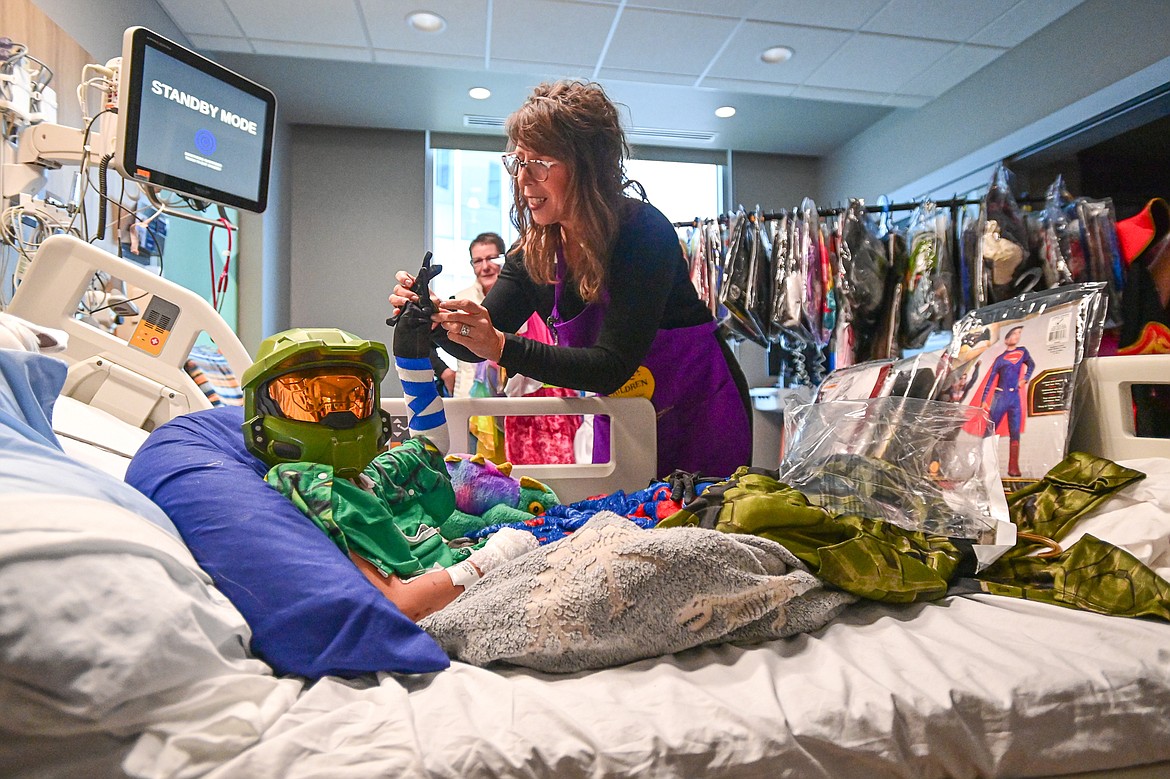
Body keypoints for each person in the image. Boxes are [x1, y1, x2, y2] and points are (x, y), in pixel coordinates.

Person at [391, 80, 752, 479]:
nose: (524, 179)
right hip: (623, 413)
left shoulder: (643, 233)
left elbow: (609, 366)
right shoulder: (533, 252)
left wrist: (500, 345)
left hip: (698, 411)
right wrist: (435, 319)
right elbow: (479, 346)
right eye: (518, 161)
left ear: (588, 166)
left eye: (541, 163)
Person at [240, 327, 535, 621]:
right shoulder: (304, 485)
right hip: (462, 590)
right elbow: (404, 604)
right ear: (263, 407)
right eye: (311, 400)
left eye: (353, 398)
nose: (339, 415)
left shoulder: (369, 477)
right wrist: (498, 555)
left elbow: (429, 448)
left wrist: (412, 357)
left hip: (466, 571)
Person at [979, 324, 1035, 477]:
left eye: (1019, 333)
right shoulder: (1000, 359)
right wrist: (984, 399)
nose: (1017, 336)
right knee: (990, 430)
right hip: (1000, 396)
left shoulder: (1022, 352)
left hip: (1014, 397)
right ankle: (983, 465)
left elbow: (1031, 364)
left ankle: (1013, 467)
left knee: (1015, 431)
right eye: (1014, 333)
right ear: (1007, 337)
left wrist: (1025, 378)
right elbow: (990, 380)